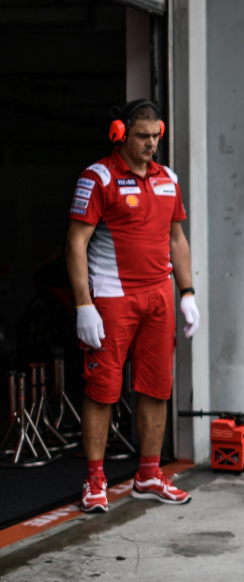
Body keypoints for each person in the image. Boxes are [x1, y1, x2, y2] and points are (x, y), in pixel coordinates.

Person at [66, 99, 200, 512]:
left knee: (156, 388)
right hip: (111, 298)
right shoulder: (98, 176)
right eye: (143, 136)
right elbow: (76, 242)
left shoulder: (168, 178)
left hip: (158, 297)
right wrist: (83, 304)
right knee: (103, 390)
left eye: (156, 136)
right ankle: (94, 480)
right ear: (120, 133)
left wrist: (188, 292)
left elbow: (177, 239)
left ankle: (148, 474)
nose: (151, 144)